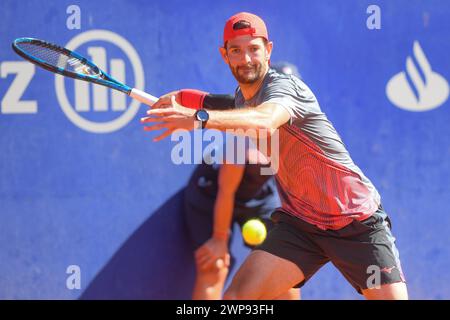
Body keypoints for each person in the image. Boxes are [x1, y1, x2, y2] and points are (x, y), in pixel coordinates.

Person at [141, 12, 408, 300]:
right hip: (302, 226)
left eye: (254, 49)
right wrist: (182, 96)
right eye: (236, 51)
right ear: (225, 55)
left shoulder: (285, 88)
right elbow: (226, 103)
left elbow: (265, 119)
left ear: (268, 50)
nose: (246, 59)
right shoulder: (245, 99)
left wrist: (197, 118)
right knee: (237, 300)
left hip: (356, 221)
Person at [184, 142, 300, 300]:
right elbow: (226, 192)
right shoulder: (241, 143)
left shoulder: (296, 136)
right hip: (213, 193)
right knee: (215, 266)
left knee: (283, 268)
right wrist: (219, 238)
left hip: (259, 195)